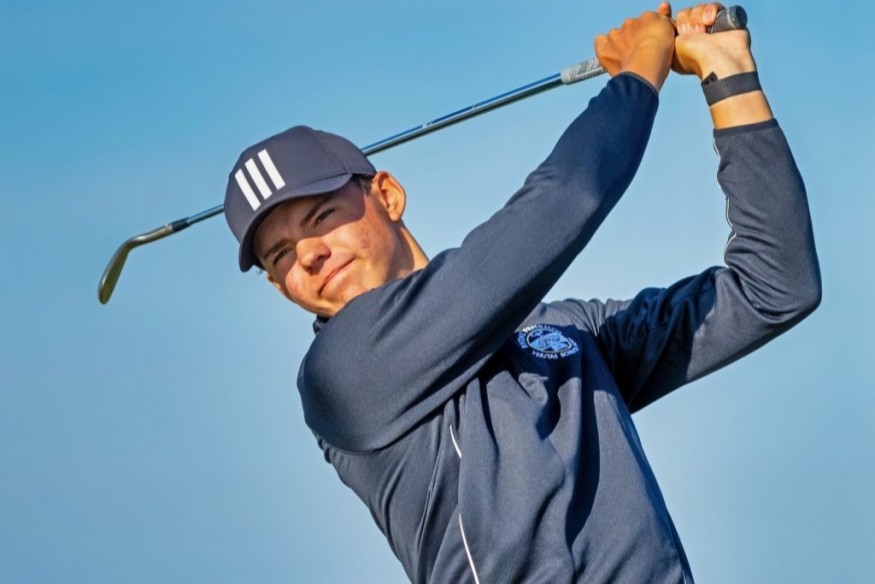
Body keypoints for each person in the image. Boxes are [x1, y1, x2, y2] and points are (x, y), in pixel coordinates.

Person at [222, 3, 821, 582]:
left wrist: (727, 74)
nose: (309, 254)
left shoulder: (564, 331)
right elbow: (565, 199)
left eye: (322, 216)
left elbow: (774, 285)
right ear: (279, 287)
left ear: (388, 195)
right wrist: (640, 69)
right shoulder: (340, 373)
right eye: (281, 256)